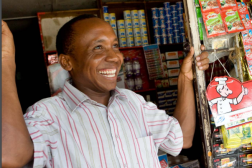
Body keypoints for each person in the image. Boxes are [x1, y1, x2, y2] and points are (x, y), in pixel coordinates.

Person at [2, 14, 209, 168]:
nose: (115, 57)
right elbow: (11, 156)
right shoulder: (47, 115)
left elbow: (182, 138)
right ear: (66, 62)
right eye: (98, 48)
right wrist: (5, 65)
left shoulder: (133, 103)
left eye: (115, 45)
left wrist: (185, 77)